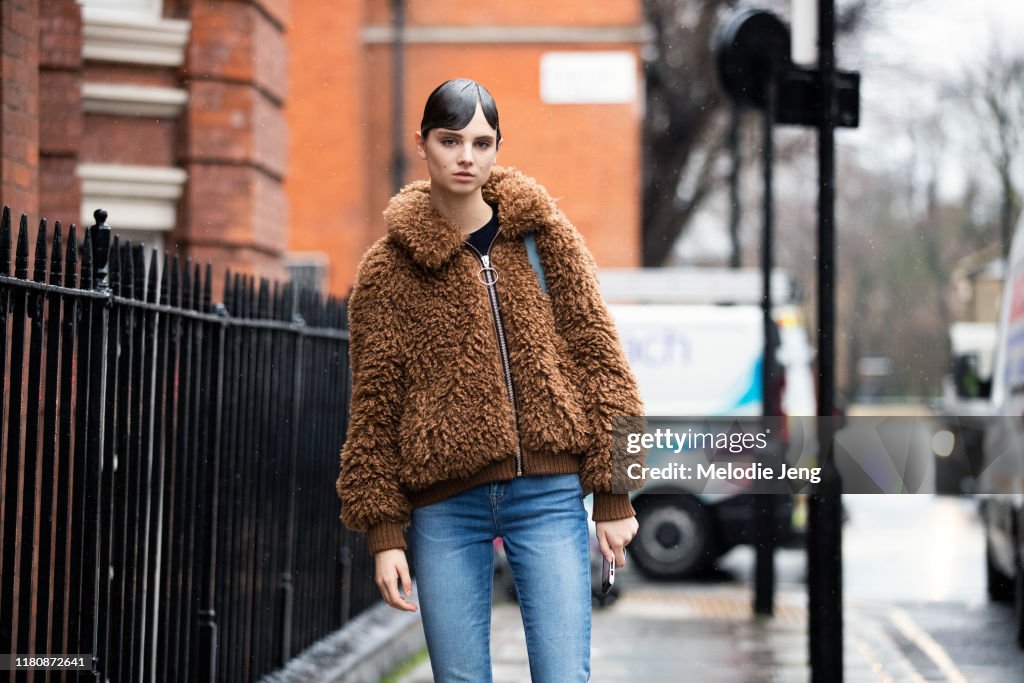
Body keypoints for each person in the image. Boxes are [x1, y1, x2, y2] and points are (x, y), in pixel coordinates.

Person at [336, 78, 646, 682]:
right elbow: (374, 404)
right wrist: (384, 532)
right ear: (422, 143)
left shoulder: (542, 237)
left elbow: (601, 359)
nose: (466, 157)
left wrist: (614, 493)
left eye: (481, 143)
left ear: (498, 147)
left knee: (563, 675)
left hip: (550, 498)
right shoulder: (387, 268)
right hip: (445, 508)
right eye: (450, 141)